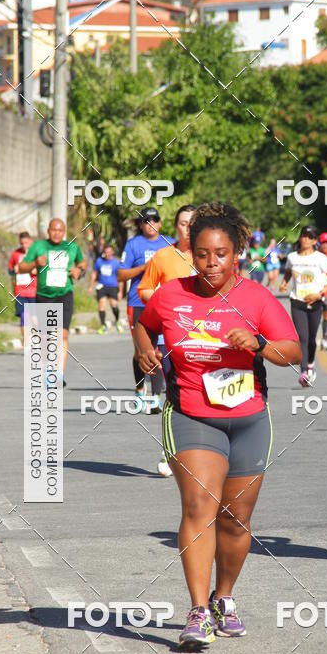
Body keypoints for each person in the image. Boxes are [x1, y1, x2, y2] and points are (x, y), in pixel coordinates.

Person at [134, 202, 301, 650]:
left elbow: (292, 352)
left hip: (248, 419)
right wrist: (144, 350)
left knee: (235, 520)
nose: (212, 263)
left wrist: (260, 343)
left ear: (236, 255)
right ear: (192, 252)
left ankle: (223, 597)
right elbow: (143, 322)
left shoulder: (256, 298)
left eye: (221, 254)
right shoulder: (171, 295)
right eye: (203, 253)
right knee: (199, 508)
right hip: (191, 414)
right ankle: (197, 611)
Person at [138, 203, 197, 476]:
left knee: (202, 394)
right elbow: (145, 289)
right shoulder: (163, 256)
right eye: (183, 223)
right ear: (176, 226)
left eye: (193, 223)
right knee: (173, 394)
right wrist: (166, 301)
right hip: (170, 337)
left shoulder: (210, 257)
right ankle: (169, 450)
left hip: (207, 338)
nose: (187, 228)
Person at [16, 218, 85, 386]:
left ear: (64, 232)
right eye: (54, 230)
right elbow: (22, 268)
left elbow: (82, 263)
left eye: (60, 230)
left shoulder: (72, 247)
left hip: (65, 294)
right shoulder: (39, 247)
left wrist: (79, 271)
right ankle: (49, 370)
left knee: (62, 335)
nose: (57, 233)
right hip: (44, 295)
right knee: (46, 336)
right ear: (48, 231)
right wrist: (35, 263)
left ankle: (59, 373)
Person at [117, 207, 174, 409]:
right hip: (138, 303)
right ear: (140, 225)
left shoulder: (169, 244)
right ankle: (140, 389)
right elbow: (121, 275)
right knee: (141, 350)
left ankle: (156, 397)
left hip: (163, 303)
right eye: (146, 220)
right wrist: (144, 268)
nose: (151, 223)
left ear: (159, 223)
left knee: (158, 348)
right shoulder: (134, 244)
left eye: (154, 220)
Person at [280, 225, 327, 386]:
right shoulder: (292, 257)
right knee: (302, 337)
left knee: (312, 339)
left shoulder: (321, 259)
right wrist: (284, 283)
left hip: (316, 301)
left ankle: (311, 363)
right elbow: (289, 271)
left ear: (314, 241)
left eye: (309, 237)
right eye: (303, 236)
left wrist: (320, 294)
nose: (305, 239)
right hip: (297, 301)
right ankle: (303, 371)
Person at [88, 243, 123, 334]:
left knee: (114, 305)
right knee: (101, 305)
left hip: (113, 286)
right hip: (102, 286)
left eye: (109, 252)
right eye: (106, 252)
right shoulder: (99, 261)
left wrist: (120, 291)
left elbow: (120, 278)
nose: (108, 254)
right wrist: (90, 286)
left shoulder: (116, 263)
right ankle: (103, 325)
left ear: (112, 253)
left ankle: (117, 321)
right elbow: (94, 274)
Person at [8, 231, 36, 342]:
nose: (24, 245)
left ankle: (37, 341)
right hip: (20, 290)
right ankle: (27, 342)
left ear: (30, 241)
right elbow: (10, 270)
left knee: (35, 318)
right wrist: (13, 270)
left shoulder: (35, 253)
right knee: (24, 317)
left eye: (26, 242)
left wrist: (36, 270)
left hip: (34, 290)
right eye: (22, 243)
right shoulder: (16, 254)